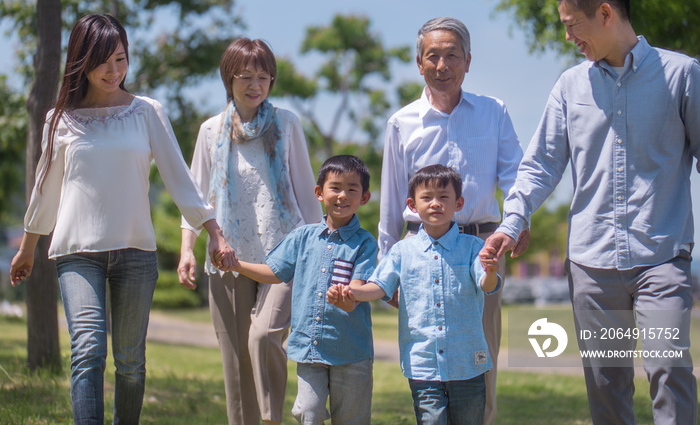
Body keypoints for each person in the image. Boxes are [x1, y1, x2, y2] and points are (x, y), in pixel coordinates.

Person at [481, 0, 699, 424]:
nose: (567, 39)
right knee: (607, 386)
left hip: (661, 256)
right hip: (592, 266)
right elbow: (541, 165)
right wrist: (513, 220)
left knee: (668, 370)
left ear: (605, 14)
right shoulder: (570, 86)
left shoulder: (681, 75)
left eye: (571, 26)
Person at [9, 13, 236, 424]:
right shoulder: (58, 119)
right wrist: (27, 250)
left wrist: (213, 233)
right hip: (77, 252)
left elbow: (179, 178)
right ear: (81, 62)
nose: (114, 71)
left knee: (130, 363)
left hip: (135, 252)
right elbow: (46, 190)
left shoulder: (146, 112)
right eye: (103, 62)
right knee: (88, 348)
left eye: (120, 59)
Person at [378, 16, 527, 424]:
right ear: (418, 62)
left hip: (481, 252)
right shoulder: (401, 123)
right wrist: (387, 268)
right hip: (419, 256)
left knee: (482, 358)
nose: (442, 65)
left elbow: (516, 175)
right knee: (427, 357)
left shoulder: (493, 112)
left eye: (451, 56)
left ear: (468, 61)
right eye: (433, 57)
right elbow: (391, 202)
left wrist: (518, 219)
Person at [177, 37, 322, 425]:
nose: (255, 84)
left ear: (272, 80)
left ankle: (272, 419)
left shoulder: (288, 124)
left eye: (263, 76)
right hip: (228, 255)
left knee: (263, 337)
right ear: (230, 78)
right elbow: (196, 194)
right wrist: (187, 249)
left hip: (285, 253)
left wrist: (322, 250)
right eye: (245, 76)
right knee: (236, 357)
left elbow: (307, 192)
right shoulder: (211, 131)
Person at [329, 164, 500, 425]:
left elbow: (487, 286)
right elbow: (379, 287)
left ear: (459, 203)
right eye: (427, 197)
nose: (435, 204)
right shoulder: (401, 251)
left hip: (468, 364)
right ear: (411, 204)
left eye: (444, 197)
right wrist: (352, 291)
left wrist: (489, 271)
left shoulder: (475, 248)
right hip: (423, 364)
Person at [233, 155, 376, 424]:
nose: (343, 195)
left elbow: (359, 286)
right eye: (335, 187)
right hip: (310, 349)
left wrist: (349, 298)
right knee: (308, 413)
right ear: (319, 193)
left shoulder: (365, 243)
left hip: (352, 353)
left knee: (352, 419)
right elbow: (274, 272)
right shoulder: (302, 236)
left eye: (352, 189)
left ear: (364, 197)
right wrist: (237, 264)